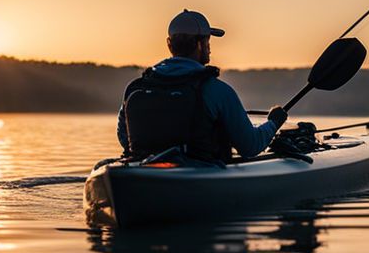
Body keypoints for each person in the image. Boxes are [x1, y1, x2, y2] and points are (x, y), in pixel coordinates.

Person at [117, 9, 287, 162]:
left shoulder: (135, 88)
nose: (209, 47)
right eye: (208, 41)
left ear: (169, 44)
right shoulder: (217, 91)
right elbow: (250, 146)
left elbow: (126, 140)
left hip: (143, 171)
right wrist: (273, 122)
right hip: (202, 176)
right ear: (200, 44)